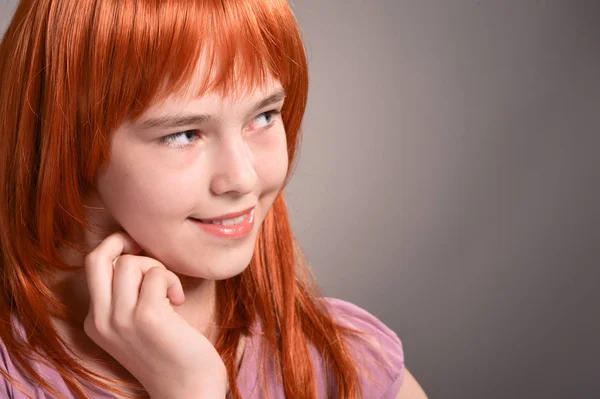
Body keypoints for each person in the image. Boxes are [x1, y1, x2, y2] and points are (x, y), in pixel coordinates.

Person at [0, 0, 427, 398]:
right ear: (62, 144)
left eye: (263, 116)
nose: (243, 177)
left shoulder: (349, 365)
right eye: (184, 134)